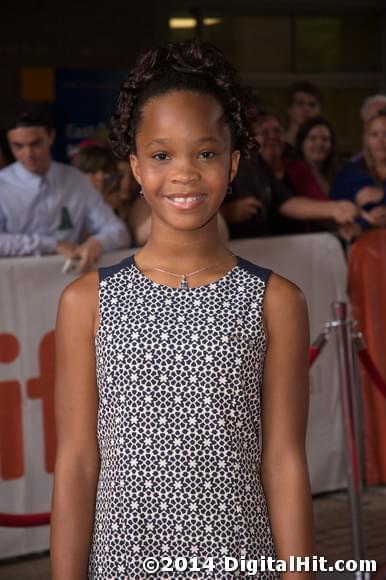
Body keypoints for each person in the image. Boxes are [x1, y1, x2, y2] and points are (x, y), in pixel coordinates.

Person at [50, 39, 315, 579]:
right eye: (162, 154)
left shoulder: (277, 301)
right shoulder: (87, 302)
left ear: (235, 162)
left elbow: (284, 462)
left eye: (207, 152)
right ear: (136, 167)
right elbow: (77, 464)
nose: (185, 173)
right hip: (124, 566)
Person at [0, 106, 130, 272]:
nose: (28, 153)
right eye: (18, 146)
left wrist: (98, 242)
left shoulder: (76, 180)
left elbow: (119, 231)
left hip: (67, 277)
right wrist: (52, 245)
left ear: (51, 137)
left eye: (36, 143)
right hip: (13, 284)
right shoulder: (2, 184)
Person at [249, 112, 357, 237]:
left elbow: (317, 203)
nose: (272, 136)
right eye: (265, 132)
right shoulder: (246, 170)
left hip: (303, 242)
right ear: (252, 139)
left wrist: (340, 216)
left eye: (277, 131)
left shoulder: (297, 168)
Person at [330, 108, 386, 238]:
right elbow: (335, 214)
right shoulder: (349, 174)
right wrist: (364, 221)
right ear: (367, 140)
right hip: (363, 247)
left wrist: (381, 195)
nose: (381, 141)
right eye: (374, 135)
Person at [284, 81, 321, 157]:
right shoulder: (279, 146)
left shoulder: (321, 150)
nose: (307, 109)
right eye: (300, 103)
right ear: (290, 109)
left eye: (312, 105)